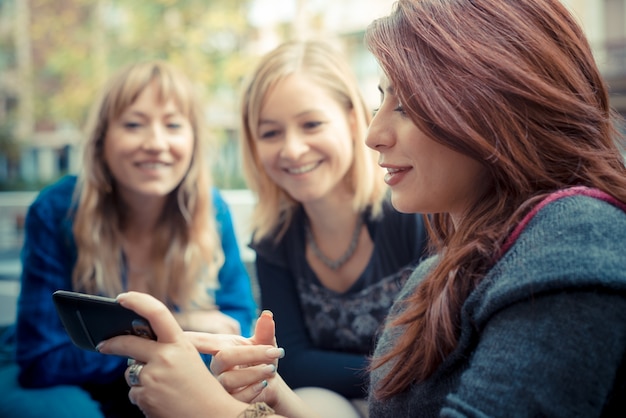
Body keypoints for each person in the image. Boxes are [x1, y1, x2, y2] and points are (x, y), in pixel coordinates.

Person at [97, 0, 626, 417]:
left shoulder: (571, 249)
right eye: (382, 100)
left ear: (493, 102)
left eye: (407, 104)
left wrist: (217, 413)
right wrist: (275, 397)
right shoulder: (457, 253)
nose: (375, 134)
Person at [0, 60, 257, 418]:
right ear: (103, 138)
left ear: (193, 140)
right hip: (68, 391)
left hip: (162, 389)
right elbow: (42, 360)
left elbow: (238, 334)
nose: (155, 143)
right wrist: (180, 326)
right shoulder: (57, 210)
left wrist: (137, 350)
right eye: (134, 124)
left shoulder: (212, 211)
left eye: (172, 125)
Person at [238, 39, 429, 416]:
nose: (292, 149)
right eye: (271, 133)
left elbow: (433, 356)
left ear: (354, 119)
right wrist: (393, 368)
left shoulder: (409, 211)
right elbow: (290, 363)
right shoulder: (273, 239)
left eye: (311, 124)